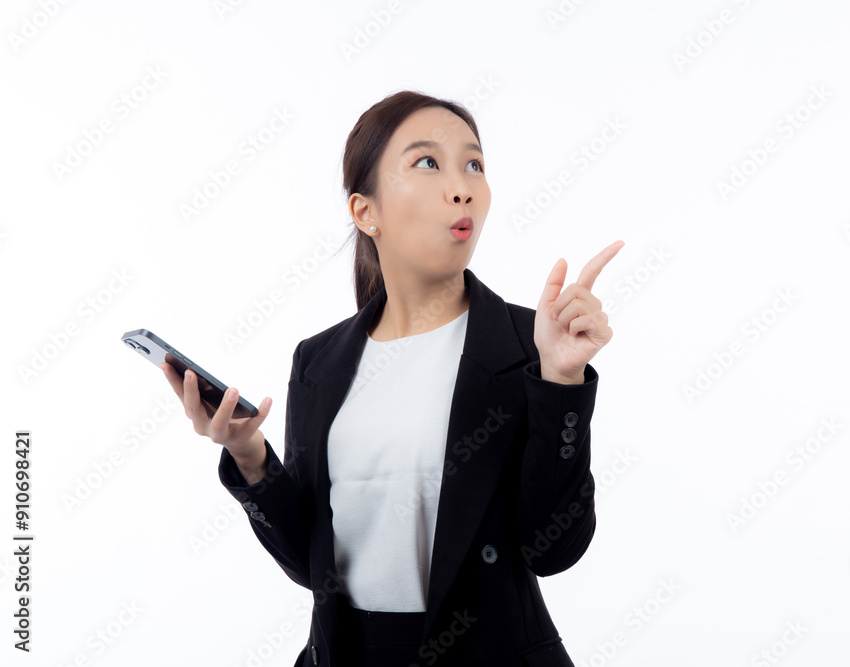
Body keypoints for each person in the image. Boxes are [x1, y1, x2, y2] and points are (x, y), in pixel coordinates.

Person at [161, 89, 623, 666]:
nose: (462, 186)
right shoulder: (319, 361)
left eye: (473, 164)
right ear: (365, 212)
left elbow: (553, 548)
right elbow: (312, 566)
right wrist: (250, 454)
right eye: (427, 162)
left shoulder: (531, 344)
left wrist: (560, 378)